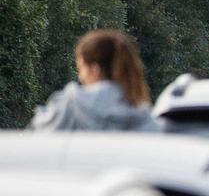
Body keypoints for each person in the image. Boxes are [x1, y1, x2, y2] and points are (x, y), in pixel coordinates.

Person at [30, 29, 159, 132]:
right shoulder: (145, 120)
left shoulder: (68, 108)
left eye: (80, 68)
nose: (80, 78)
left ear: (94, 69)